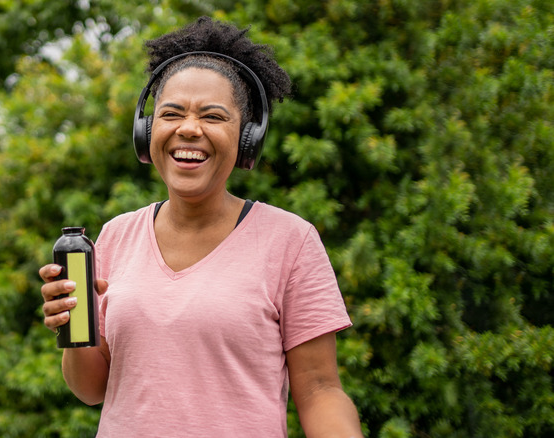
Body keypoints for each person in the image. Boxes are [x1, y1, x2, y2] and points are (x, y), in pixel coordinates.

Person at [40, 16, 363, 437]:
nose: (189, 130)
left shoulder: (291, 241)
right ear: (147, 130)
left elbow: (320, 390)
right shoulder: (116, 235)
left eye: (213, 116)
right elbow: (91, 389)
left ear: (247, 137)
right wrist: (72, 326)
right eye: (171, 113)